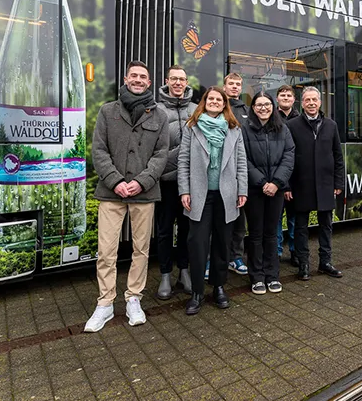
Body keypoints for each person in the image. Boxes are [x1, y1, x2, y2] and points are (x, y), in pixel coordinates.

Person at [85, 61, 169, 332]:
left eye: (143, 76)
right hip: (112, 192)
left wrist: (141, 182)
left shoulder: (160, 115)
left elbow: (161, 154)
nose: (138, 79)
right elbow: (99, 150)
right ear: (125, 78)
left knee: (141, 250)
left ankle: (134, 298)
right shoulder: (108, 111)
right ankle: (105, 304)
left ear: (149, 82)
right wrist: (117, 181)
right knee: (106, 251)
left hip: (144, 194)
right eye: (134, 75)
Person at [178, 86, 248, 315]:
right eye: (211, 99)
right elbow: (183, 161)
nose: (215, 102)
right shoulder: (192, 126)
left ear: (225, 103)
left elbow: (241, 163)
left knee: (222, 242)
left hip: (226, 194)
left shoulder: (234, 129)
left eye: (219, 99)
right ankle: (197, 292)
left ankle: (218, 287)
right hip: (199, 194)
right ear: (204, 102)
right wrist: (184, 191)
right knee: (197, 243)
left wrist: (242, 190)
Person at [286, 87, 345, 281]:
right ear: (301, 104)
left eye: (314, 100)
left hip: (326, 184)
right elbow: (286, 157)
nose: (311, 103)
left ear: (320, 103)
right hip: (301, 184)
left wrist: (338, 182)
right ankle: (303, 264)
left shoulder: (331, 125)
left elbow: (338, 156)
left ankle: (325, 262)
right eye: (307, 100)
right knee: (300, 227)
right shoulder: (292, 125)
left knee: (326, 225)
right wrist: (286, 186)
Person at [242, 92, 295, 294]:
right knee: (255, 234)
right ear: (253, 107)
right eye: (259, 105)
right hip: (255, 189)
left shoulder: (283, 129)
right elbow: (242, 159)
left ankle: (272, 275)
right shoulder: (244, 129)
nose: (263, 108)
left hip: (277, 190)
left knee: (272, 234)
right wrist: (263, 182)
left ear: (273, 107)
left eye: (267, 104)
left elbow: (289, 157)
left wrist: (276, 183)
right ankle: (256, 277)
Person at [154, 65, 196, 300]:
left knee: (187, 229)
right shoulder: (156, 109)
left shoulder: (195, 109)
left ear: (186, 81)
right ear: (166, 80)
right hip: (165, 182)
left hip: (190, 182)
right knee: (164, 230)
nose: (178, 83)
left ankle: (185, 271)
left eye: (182, 79)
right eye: (174, 79)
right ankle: (165, 275)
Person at [223, 72, 249, 276]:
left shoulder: (247, 111)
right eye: (231, 83)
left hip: (240, 174)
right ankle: (214, 258)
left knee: (240, 220)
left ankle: (236, 257)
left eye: (237, 84)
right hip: (219, 173)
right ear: (224, 87)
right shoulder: (217, 107)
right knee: (218, 220)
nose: (234, 87)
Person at [275, 85, 299, 266]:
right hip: (277, 176)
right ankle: (275, 252)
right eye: (282, 95)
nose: (285, 97)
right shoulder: (270, 117)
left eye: (288, 95)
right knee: (276, 218)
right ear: (277, 99)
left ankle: (295, 252)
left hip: (296, 177)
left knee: (294, 218)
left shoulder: (300, 119)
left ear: (294, 99)